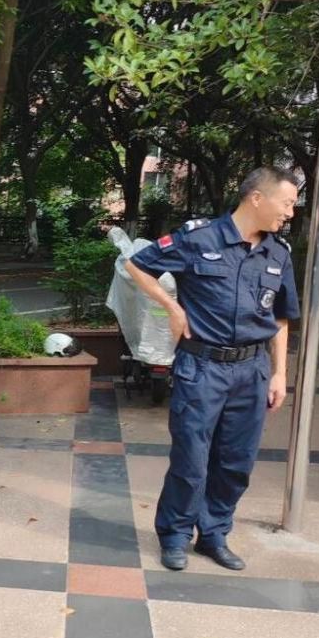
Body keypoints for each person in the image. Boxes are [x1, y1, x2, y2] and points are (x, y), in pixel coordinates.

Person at [125, 166, 301, 572]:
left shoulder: (278, 253)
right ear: (257, 198)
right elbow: (138, 265)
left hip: (252, 370)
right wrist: (172, 307)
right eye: (287, 203)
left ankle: (214, 535)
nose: (290, 213)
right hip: (202, 367)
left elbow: (280, 318)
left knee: (236, 462)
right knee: (191, 458)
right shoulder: (198, 238)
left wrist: (279, 374)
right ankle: (174, 536)